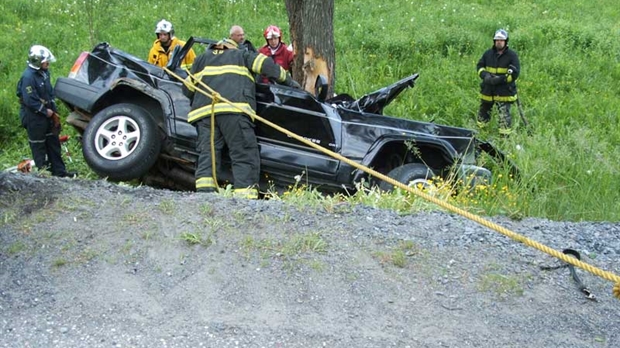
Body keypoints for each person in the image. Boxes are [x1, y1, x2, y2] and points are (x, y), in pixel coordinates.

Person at [182, 39, 301, 199]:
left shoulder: (201, 59)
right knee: (243, 152)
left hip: (204, 114)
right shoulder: (242, 55)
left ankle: (205, 195)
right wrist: (290, 83)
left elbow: (187, 89)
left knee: (207, 153)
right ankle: (245, 197)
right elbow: (267, 66)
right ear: (232, 47)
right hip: (234, 108)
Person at [17, 45, 76, 178]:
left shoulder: (44, 73)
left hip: (47, 116)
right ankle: (44, 175)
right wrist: (46, 112)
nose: (47, 64)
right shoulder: (28, 77)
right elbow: (30, 100)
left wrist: (54, 114)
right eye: (45, 61)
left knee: (53, 143)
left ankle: (60, 173)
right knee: (39, 147)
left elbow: (49, 95)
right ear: (37, 61)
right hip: (34, 118)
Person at [476, 28, 521, 136]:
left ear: (506, 42)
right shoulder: (487, 54)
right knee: (483, 113)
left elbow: (515, 74)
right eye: (497, 40)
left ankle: (504, 137)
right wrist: (485, 75)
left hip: (504, 92)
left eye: (501, 40)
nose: (499, 42)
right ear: (494, 41)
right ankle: (481, 133)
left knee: (504, 115)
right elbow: (479, 66)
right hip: (488, 91)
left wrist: (500, 80)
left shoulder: (512, 55)